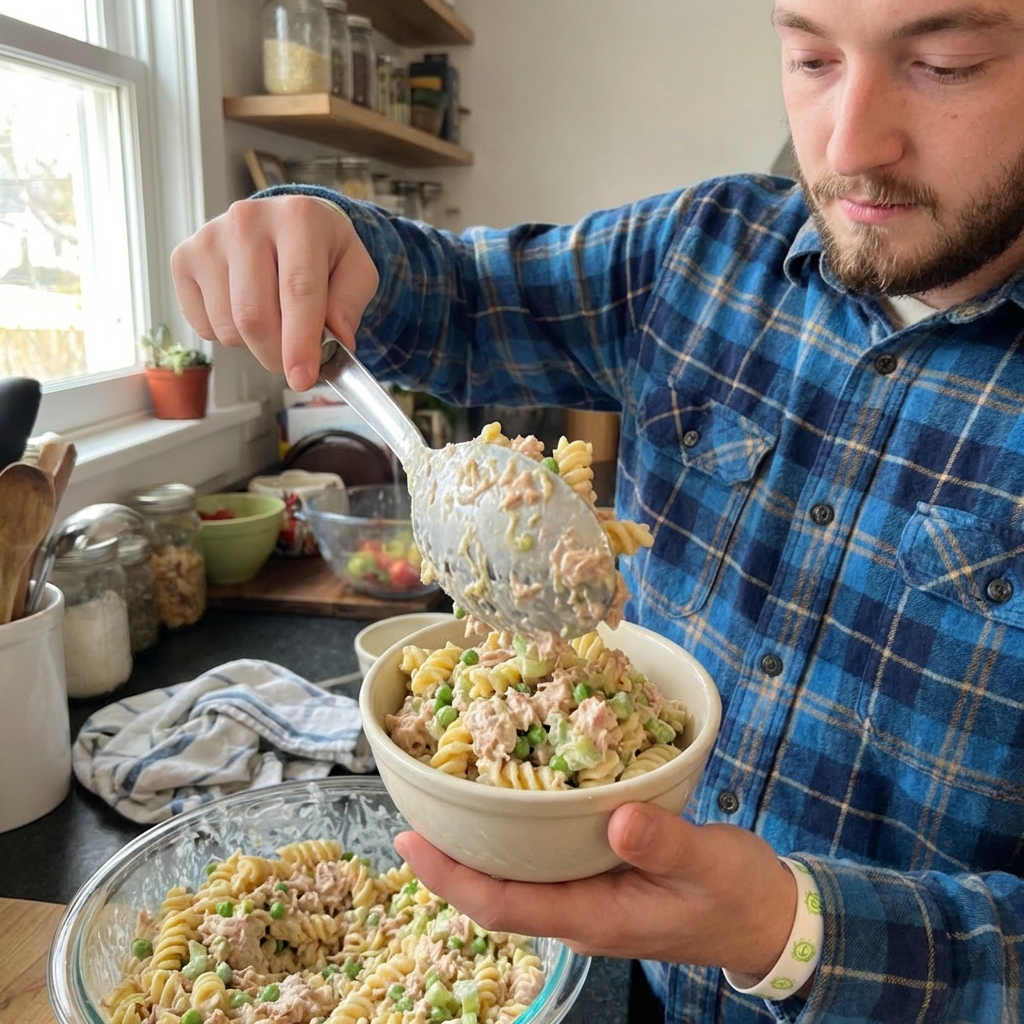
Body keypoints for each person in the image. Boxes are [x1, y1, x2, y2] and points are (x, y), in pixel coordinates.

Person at [171, 0, 1024, 1019]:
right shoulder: (700, 253)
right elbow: (462, 294)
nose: (847, 143)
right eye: (808, 57)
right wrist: (319, 238)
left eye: (945, 63)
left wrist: (784, 929)